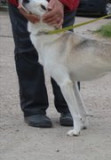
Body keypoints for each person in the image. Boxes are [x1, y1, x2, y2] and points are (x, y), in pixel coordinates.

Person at [9, 0, 79, 128]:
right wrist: (23, 3)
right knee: (27, 50)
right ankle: (34, 108)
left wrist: (63, 2)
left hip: (63, 6)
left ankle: (71, 106)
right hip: (24, 3)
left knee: (64, 50)